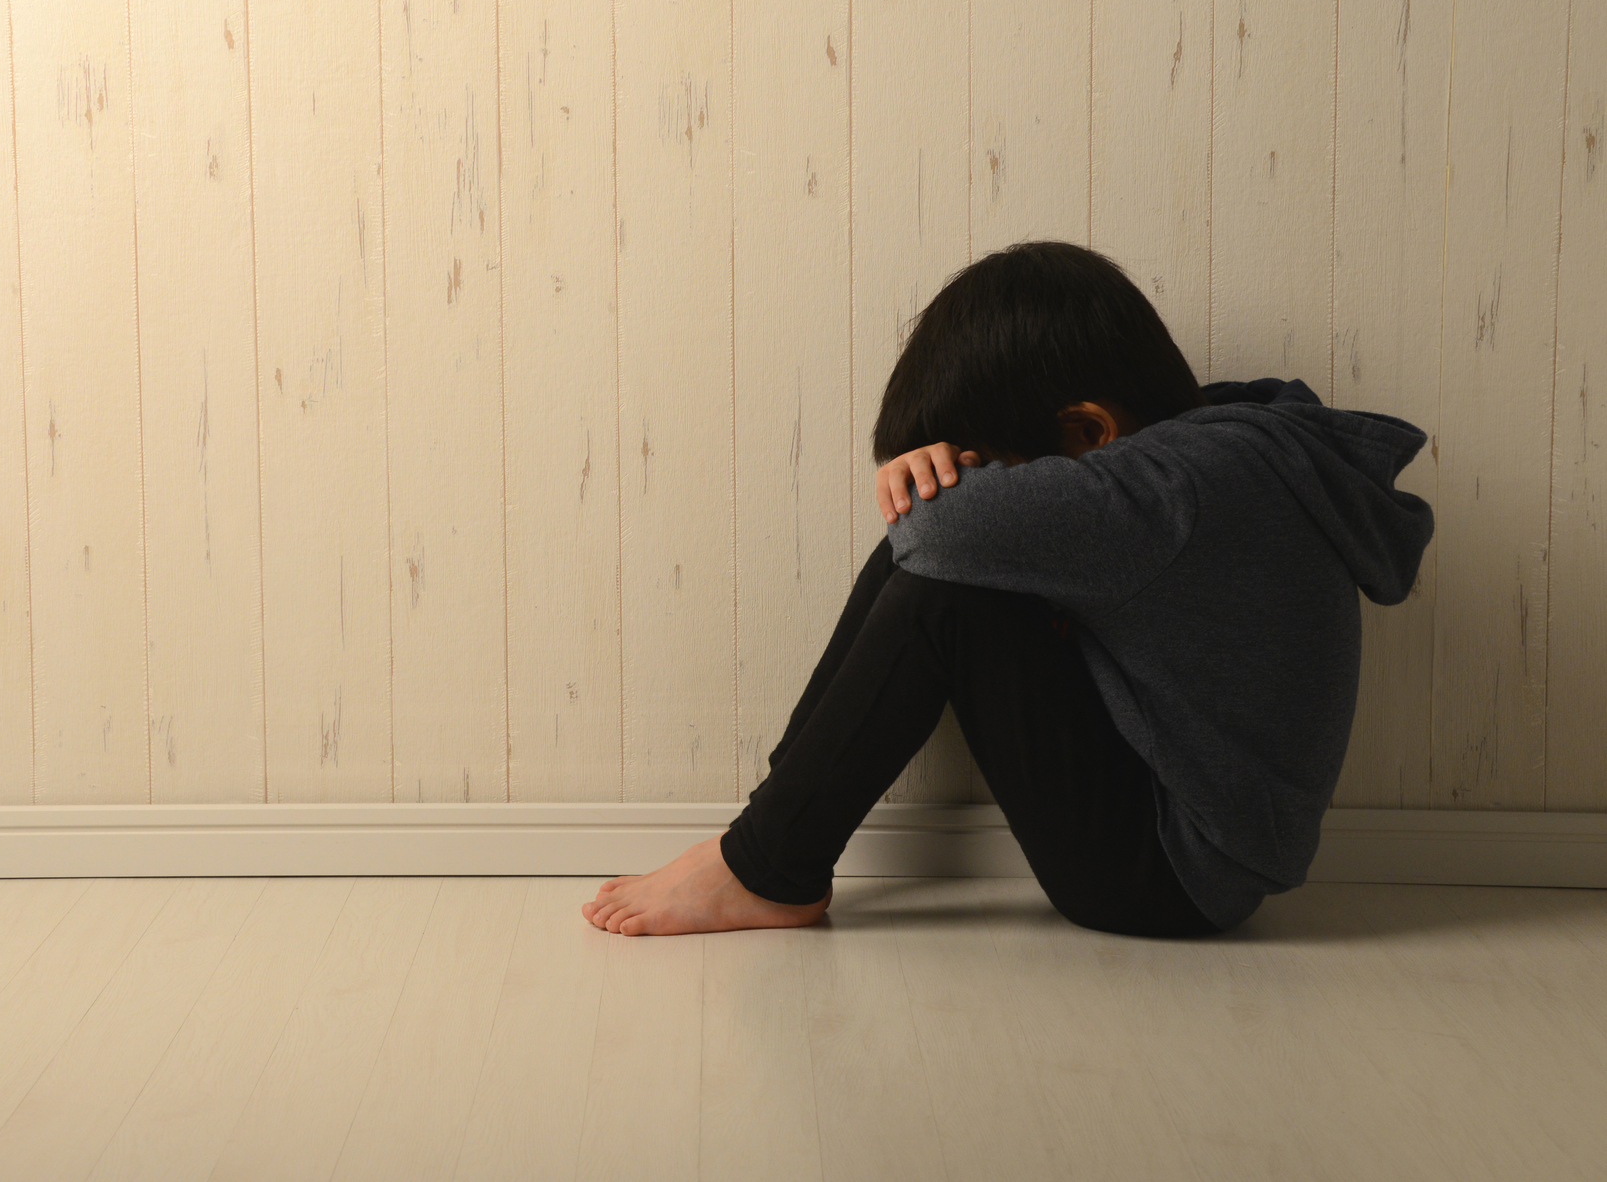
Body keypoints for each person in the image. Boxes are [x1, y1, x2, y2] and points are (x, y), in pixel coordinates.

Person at [581, 240, 1436, 939]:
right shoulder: (1213, 461)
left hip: (1166, 880)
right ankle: (773, 841)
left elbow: (925, 531)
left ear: (1088, 431)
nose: (982, 486)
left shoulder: (1171, 490)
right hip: (1185, 837)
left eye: (994, 469)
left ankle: (768, 863)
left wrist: (932, 485)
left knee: (944, 586)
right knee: (941, 567)